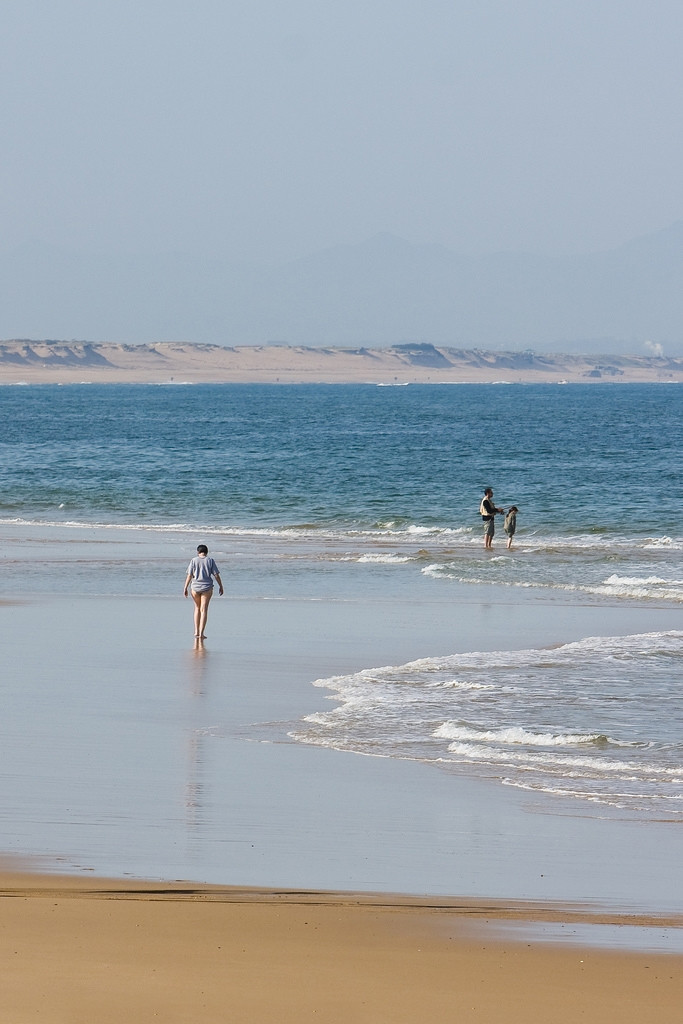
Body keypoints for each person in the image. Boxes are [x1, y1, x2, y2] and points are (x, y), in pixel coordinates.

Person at [183, 544, 223, 639]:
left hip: (195, 587)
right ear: (206, 552)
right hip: (207, 587)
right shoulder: (210, 560)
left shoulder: (193, 560)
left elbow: (189, 575)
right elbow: (216, 575)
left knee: (197, 608)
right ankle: (201, 633)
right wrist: (221, 586)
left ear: (198, 552)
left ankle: (196, 631)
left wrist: (185, 587)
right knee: (204, 609)